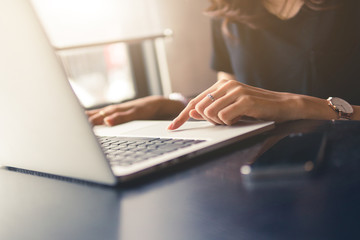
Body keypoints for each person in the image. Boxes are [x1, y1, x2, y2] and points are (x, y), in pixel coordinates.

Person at [86, 0, 360, 130]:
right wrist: (163, 105)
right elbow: (226, 101)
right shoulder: (229, 11)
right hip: (258, 163)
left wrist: (299, 106)